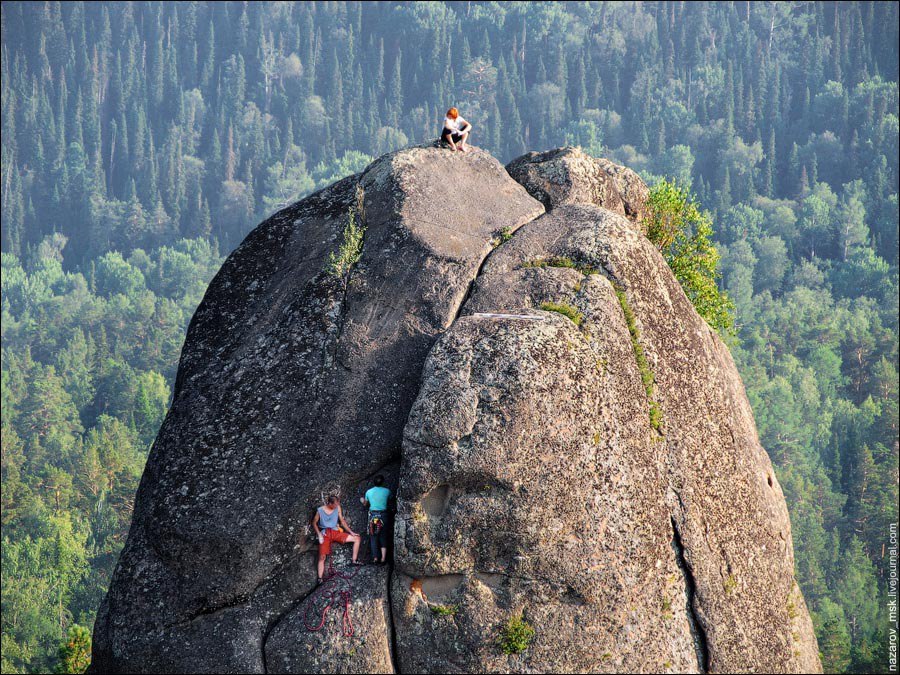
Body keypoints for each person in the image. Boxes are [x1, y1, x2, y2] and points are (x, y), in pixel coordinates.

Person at [312, 495, 362, 583]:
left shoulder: (338, 507)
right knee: (322, 557)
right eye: (335, 505)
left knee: (357, 538)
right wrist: (319, 534)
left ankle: (354, 561)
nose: (336, 506)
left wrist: (351, 532)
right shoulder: (320, 510)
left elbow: (342, 521)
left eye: (337, 504)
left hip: (336, 532)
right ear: (330, 503)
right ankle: (320, 579)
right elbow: (314, 523)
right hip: (325, 534)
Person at [360, 475, 391, 564]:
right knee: (383, 536)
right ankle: (383, 558)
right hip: (383, 515)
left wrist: (362, 500)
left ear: (374, 482)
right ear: (383, 482)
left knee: (373, 537)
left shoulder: (369, 492)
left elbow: (366, 504)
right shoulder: (387, 491)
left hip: (373, 515)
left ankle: (375, 558)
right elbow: (391, 499)